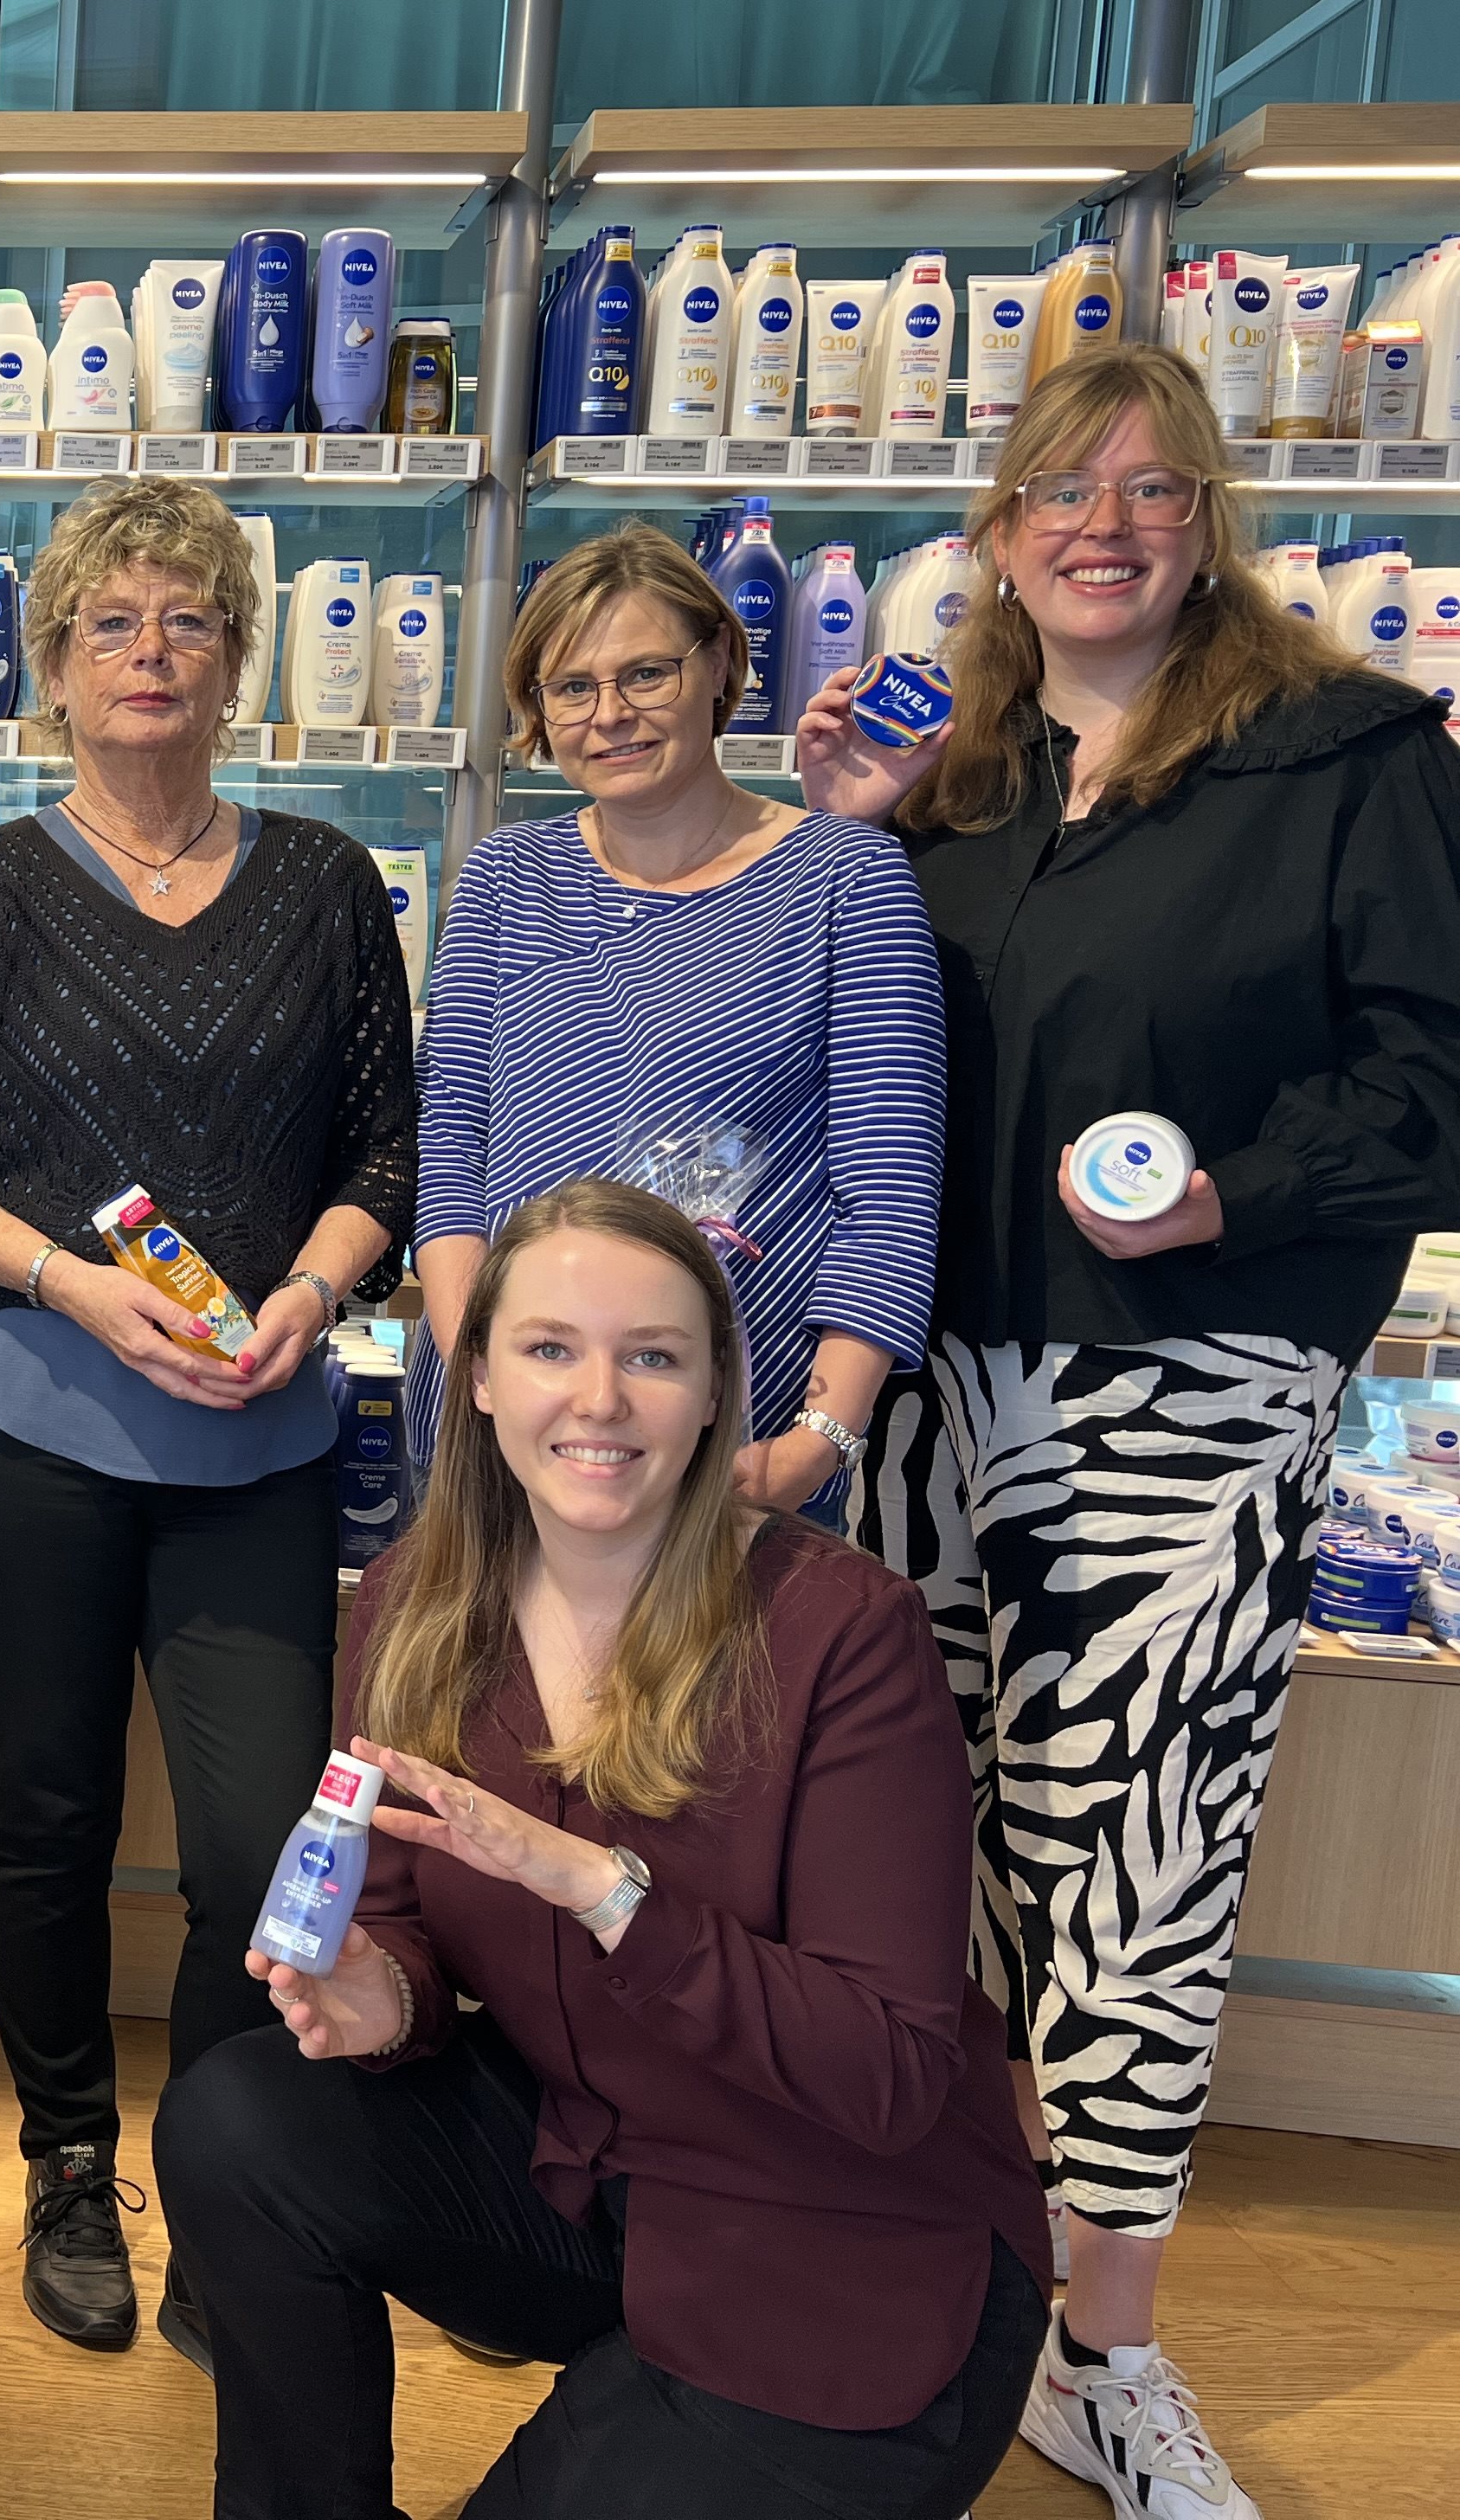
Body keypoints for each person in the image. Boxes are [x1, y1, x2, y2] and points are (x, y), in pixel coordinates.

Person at [799, 343, 1460, 2520]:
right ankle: (956, 2287)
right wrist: (835, 847)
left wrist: (1232, 1197)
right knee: (922, 1853)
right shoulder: (960, 774)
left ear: (1213, 520)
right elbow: (853, 1064)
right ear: (993, 532)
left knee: (1134, 1878)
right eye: (1061, 490)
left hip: (1179, 1394)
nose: (1104, 524)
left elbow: (1434, 1078)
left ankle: (1109, 2355)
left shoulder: (1342, 756)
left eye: (1154, 487)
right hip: (918, 1386)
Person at [155, 1179, 1049, 2520]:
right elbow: (393, 1916)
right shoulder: (414, 1601)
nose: (600, 1400)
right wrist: (372, 1997)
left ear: (712, 1394)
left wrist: (605, 1893)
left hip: (843, 2241)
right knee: (238, 2113)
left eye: (652, 1358)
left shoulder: (842, 1631)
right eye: (551, 1349)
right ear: (480, 1379)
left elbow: (891, 2075)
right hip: (594, 2167)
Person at [0, 472, 415, 2356]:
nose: (153, 651)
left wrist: (310, 1294)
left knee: (261, 1848)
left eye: (189, 619)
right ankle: (73, 2162)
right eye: (114, 623)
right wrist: (77, 1284)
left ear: (240, 657)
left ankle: (229, 2187)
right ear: (56, 671)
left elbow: (389, 1151)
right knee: (50, 1814)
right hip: (24, 1425)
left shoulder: (330, 886)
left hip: (258, 1434)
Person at [417, 521, 940, 1526]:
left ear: (721, 667)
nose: (609, 714)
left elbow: (888, 1190)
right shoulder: (504, 879)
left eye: (646, 674)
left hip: (738, 1431)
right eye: (571, 688)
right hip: (508, 1439)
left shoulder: (847, 879)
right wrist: (484, 1392)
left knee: (724, 1687)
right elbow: (451, 1159)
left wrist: (818, 1441)